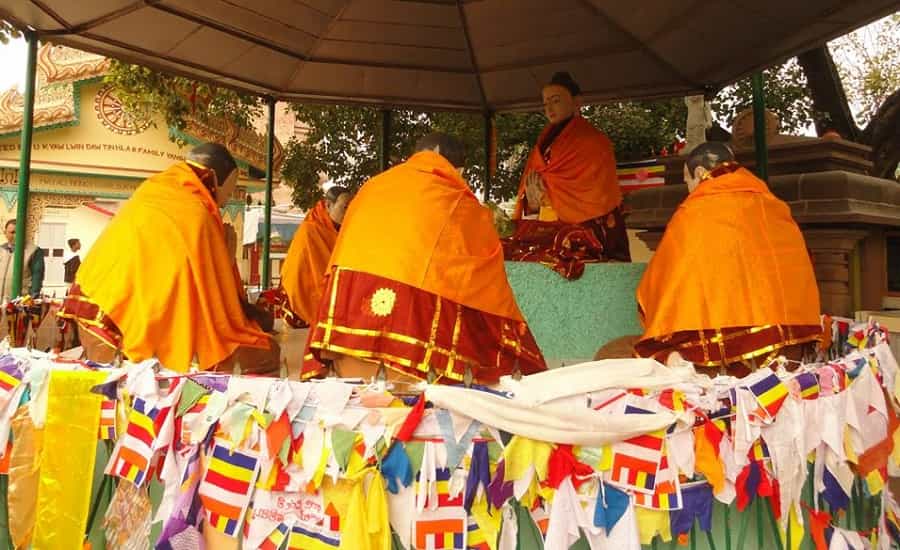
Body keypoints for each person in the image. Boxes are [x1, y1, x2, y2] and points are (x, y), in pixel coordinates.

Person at [302, 133, 546, 384]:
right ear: (440, 156)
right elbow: (482, 268)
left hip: (345, 324)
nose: (458, 180)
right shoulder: (453, 197)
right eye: (458, 172)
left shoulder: (373, 186)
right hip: (410, 347)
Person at [59, 143, 279, 373]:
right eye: (230, 190)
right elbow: (219, 308)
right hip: (123, 330)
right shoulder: (197, 213)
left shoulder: (153, 189)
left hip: (88, 308)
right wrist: (228, 258)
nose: (225, 201)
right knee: (266, 354)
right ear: (214, 179)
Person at [633, 142, 822, 374]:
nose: (688, 188)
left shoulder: (696, 211)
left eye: (688, 180)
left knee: (661, 350)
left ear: (701, 173)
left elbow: (666, 275)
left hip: (721, 349)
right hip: (788, 341)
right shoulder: (773, 205)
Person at [504, 71, 630, 277]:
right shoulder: (543, 143)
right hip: (548, 226)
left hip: (588, 229)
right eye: (545, 104)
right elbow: (533, 190)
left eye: (556, 101)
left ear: (577, 102)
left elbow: (600, 198)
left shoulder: (594, 142)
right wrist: (533, 203)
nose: (549, 108)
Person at [261, 185, 351, 328]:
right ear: (328, 205)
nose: (349, 212)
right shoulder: (311, 229)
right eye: (345, 207)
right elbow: (321, 268)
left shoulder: (342, 228)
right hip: (303, 292)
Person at [0, 219, 44, 300]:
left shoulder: (34, 251)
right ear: (5, 233)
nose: (16, 235)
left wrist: (31, 298)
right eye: (12, 232)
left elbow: (37, 279)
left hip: (19, 303)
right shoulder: (1, 249)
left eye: (19, 232)